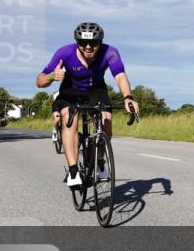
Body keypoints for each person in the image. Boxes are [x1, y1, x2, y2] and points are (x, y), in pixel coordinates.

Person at [36, 22, 139, 187]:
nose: (89, 47)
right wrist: (50, 77)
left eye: (94, 43)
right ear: (77, 42)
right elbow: (39, 81)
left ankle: (99, 160)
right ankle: (73, 171)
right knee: (70, 117)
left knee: (106, 119)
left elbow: (119, 75)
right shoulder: (64, 53)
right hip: (70, 90)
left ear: (100, 42)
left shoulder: (110, 52)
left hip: (96, 90)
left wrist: (128, 97)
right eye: (83, 43)